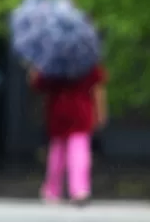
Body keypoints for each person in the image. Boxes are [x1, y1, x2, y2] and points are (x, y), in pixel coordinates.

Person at [31, 63, 107, 204]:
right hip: (81, 110)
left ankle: (52, 190)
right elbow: (97, 88)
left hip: (58, 109)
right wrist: (101, 111)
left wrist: (35, 71)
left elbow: (39, 85)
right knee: (79, 151)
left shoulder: (52, 61)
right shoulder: (87, 61)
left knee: (57, 153)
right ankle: (79, 189)